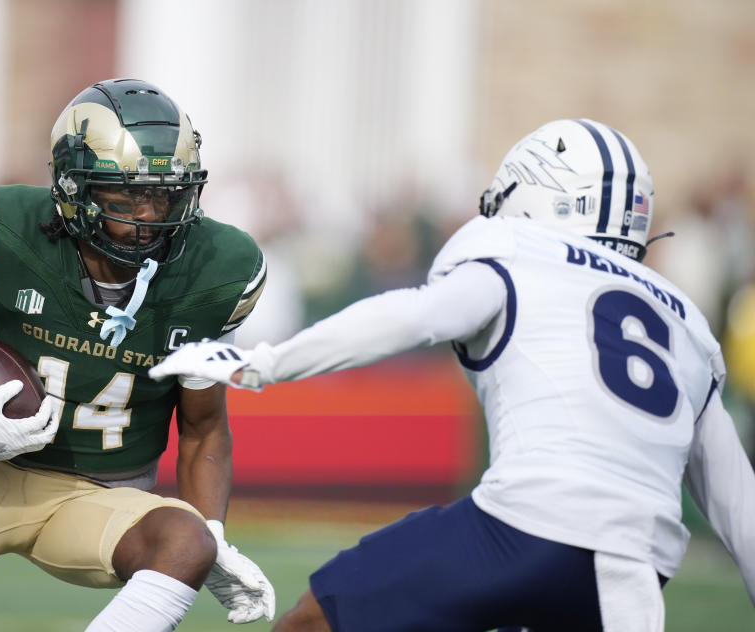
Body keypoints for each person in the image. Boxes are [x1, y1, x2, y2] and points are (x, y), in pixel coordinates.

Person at [150, 118, 755, 631]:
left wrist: (266, 362)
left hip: (523, 528)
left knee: (320, 616)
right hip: (637, 573)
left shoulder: (519, 251)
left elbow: (413, 315)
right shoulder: (688, 325)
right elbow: (737, 504)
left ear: (540, 195)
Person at [0, 78, 274, 632]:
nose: (149, 215)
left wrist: (214, 537)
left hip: (101, 497)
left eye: (165, 194)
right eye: (126, 194)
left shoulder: (213, 271)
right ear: (72, 191)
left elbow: (203, 429)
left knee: (185, 541)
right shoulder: (17, 235)